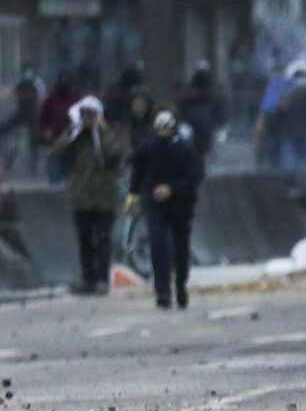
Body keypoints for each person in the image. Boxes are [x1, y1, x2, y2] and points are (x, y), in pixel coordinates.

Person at [128, 109, 204, 309]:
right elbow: (138, 170)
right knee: (158, 241)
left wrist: (172, 189)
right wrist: (133, 195)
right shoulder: (148, 148)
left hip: (181, 205)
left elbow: (194, 177)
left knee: (180, 247)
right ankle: (162, 289)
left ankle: (180, 283)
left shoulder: (185, 151)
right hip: (154, 203)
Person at [50, 96, 124, 295]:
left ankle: (101, 278)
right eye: (84, 115)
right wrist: (72, 131)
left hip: (104, 197)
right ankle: (87, 277)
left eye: (91, 115)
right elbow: (57, 152)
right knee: (84, 239)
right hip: (82, 196)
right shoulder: (77, 136)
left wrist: (102, 130)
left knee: (102, 238)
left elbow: (115, 153)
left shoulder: (109, 134)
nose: (87, 119)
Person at [175, 65, 227, 161]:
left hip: (205, 128)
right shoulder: (188, 95)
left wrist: (221, 125)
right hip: (191, 127)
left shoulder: (211, 95)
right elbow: (180, 109)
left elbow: (218, 112)